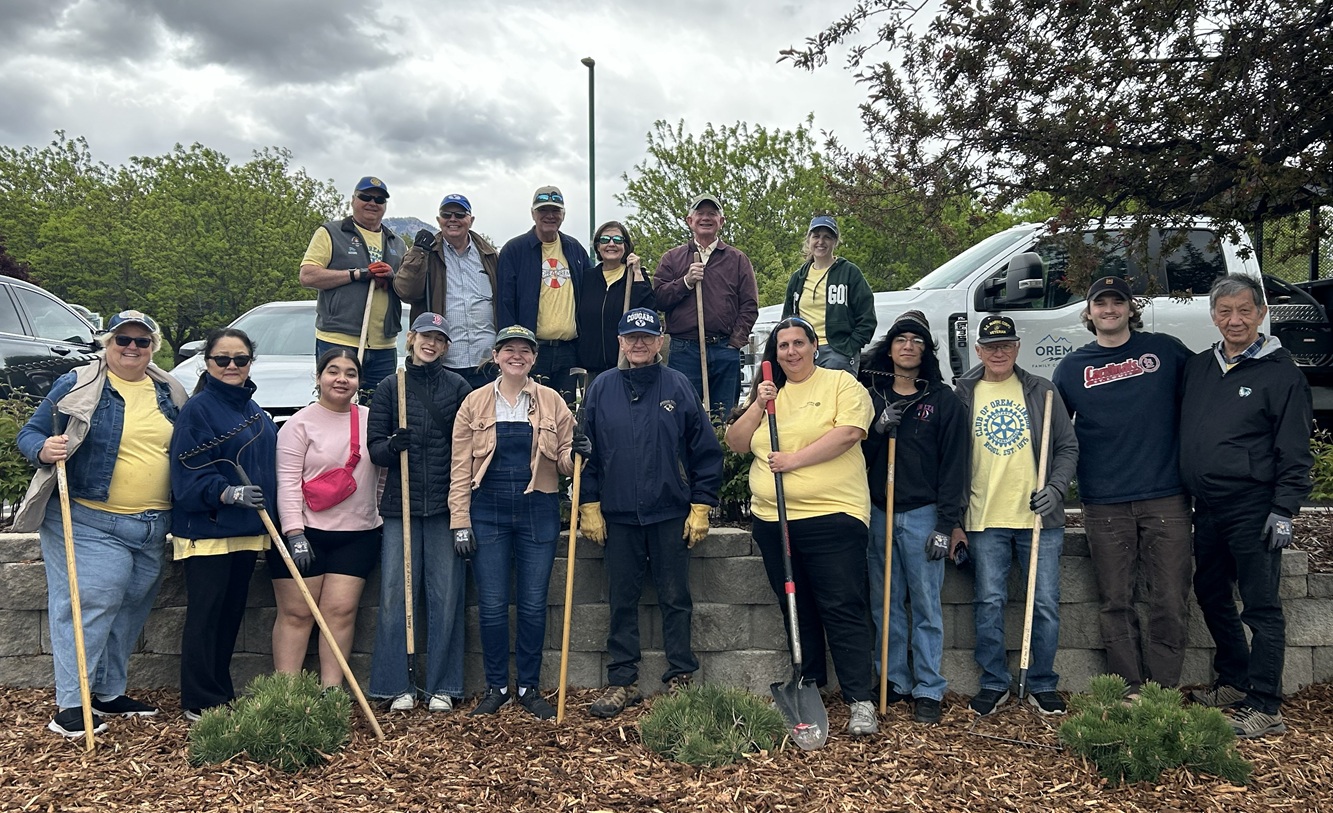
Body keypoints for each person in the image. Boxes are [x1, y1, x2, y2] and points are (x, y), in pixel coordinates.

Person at [15, 310, 189, 738]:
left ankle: (108, 693)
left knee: (129, 609)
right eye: (122, 340)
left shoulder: (170, 390)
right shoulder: (78, 384)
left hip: (151, 525)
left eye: (142, 341)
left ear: (154, 347)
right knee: (88, 607)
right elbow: (30, 434)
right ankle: (72, 707)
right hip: (89, 518)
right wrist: (44, 449)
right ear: (106, 343)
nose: (132, 348)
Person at [724, 316, 878, 736]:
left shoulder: (840, 385)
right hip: (774, 522)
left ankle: (859, 700)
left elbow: (849, 433)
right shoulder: (769, 395)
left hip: (832, 516)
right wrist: (759, 403)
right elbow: (737, 443)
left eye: (798, 343)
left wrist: (793, 461)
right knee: (796, 606)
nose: (790, 351)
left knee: (842, 605)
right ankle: (809, 682)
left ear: (814, 345)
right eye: (782, 345)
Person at [1180, 273, 1313, 738]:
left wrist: (1285, 509)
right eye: (1224, 311)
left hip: (1255, 508)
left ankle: (1265, 705)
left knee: (1260, 608)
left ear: (1260, 313)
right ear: (1213, 316)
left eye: (1244, 311)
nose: (1234, 320)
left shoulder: (1282, 374)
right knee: (1211, 594)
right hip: (1208, 508)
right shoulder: (1200, 367)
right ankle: (1234, 680)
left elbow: (1296, 452)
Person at [1052, 276, 1194, 697]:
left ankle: (1163, 691)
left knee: (1170, 598)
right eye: (1101, 303)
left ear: (1131, 308)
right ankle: (1131, 690)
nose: (1109, 309)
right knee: (1116, 602)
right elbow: (1057, 435)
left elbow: (1207, 394)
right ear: (1089, 311)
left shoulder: (1165, 352)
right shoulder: (1072, 368)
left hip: (1166, 496)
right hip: (1104, 502)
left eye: (1118, 302)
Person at [578, 308, 724, 718]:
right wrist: (589, 503)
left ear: (660, 341)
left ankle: (681, 675)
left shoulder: (678, 385)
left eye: (646, 337)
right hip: (619, 516)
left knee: (676, 598)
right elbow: (585, 452)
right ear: (620, 342)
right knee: (622, 600)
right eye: (631, 337)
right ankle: (622, 680)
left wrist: (701, 504)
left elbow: (705, 451)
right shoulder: (601, 388)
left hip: (669, 514)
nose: (638, 344)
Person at [954, 314, 1078, 717]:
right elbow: (949, 459)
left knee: (1043, 603)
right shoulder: (963, 394)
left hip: (1039, 519)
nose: (999, 352)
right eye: (990, 347)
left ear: (1017, 347)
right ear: (978, 351)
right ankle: (993, 681)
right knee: (988, 601)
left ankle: (1042, 681)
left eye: (1006, 345)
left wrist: (1056, 490)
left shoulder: (1042, 391)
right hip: (984, 516)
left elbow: (1067, 448)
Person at [450, 325, 576, 719]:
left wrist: (578, 453)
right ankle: (496, 686)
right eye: (509, 350)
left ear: (534, 358)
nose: (517, 356)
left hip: (538, 509)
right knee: (490, 606)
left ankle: (528, 686)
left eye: (525, 350)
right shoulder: (474, 402)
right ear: (496, 355)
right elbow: (458, 468)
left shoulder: (552, 401)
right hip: (486, 511)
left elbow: (567, 461)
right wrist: (460, 521)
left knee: (534, 605)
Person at [859, 311, 968, 725]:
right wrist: (877, 428)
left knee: (925, 606)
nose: (908, 346)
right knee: (884, 606)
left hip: (923, 515)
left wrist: (946, 525)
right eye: (901, 339)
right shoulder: (872, 395)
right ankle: (893, 680)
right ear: (890, 347)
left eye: (917, 341)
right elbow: (856, 457)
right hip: (880, 511)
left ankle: (928, 687)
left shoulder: (943, 400)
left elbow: (954, 467)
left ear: (926, 350)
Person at [168, 328, 278, 721]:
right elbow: (186, 471)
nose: (232, 366)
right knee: (207, 615)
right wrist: (226, 493)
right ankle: (199, 700)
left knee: (230, 616)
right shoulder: (199, 409)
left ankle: (220, 694)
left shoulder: (252, 410)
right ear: (207, 363)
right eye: (223, 359)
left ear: (251, 362)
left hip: (247, 531)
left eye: (240, 359)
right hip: (209, 531)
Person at [367, 313, 472, 712]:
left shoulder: (459, 387)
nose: (431, 344)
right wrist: (393, 445)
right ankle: (396, 685)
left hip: (444, 506)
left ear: (446, 347)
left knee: (446, 597)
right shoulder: (389, 387)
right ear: (411, 339)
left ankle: (444, 685)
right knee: (396, 595)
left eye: (439, 340)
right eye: (425, 337)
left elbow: (468, 445)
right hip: (401, 507)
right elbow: (375, 448)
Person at [273, 349, 383, 688]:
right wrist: (294, 533)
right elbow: (288, 482)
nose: (341, 379)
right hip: (306, 531)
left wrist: (375, 513)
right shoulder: (298, 424)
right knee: (298, 613)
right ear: (319, 377)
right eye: (333, 371)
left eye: (350, 373)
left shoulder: (372, 419)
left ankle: (330, 693)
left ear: (359, 383)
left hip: (358, 533)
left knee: (340, 613)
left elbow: (381, 476)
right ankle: (286, 695)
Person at [653, 194, 759, 418]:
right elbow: (659, 299)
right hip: (684, 350)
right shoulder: (672, 259)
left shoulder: (737, 260)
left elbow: (749, 306)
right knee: (681, 416)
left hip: (724, 350)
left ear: (722, 221)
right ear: (689, 220)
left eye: (712, 213)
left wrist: (734, 343)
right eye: (700, 213)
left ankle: (720, 454)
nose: (706, 218)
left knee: (724, 417)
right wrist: (685, 282)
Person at [298, 175, 406, 389]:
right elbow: (308, 276)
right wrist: (357, 274)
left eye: (379, 200)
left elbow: (408, 286)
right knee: (336, 402)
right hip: (339, 339)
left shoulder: (398, 242)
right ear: (353, 200)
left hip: (384, 344)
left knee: (379, 409)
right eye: (366, 197)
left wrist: (392, 279)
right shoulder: (331, 232)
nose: (372, 203)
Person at [495, 186, 591, 402]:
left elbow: (590, 295)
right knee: (530, 411)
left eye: (555, 211)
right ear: (533, 213)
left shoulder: (575, 249)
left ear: (563, 215)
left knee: (564, 413)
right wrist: (511, 350)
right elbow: (505, 303)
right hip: (532, 350)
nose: (549, 216)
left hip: (569, 351)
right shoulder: (514, 250)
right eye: (543, 210)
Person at [396, 193, 501, 390]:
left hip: (487, 363)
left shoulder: (490, 256)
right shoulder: (425, 252)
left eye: (460, 214)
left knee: (486, 421)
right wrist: (418, 253)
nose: (453, 219)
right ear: (438, 220)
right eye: (446, 214)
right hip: (442, 363)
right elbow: (405, 291)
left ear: (471, 220)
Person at [782, 216, 877, 374]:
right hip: (803, 352)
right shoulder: (798, 277)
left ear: (835, 241)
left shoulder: (849, 273)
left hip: (838, 352)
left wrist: (850, 347)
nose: (821, 241)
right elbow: (787, 318)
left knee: (834, 398)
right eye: (816, 236)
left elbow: (867, 318)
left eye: (827, 237)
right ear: (809, 240)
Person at [576, 221, 655, 381]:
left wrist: (638, 274)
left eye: (618, 240)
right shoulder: (587, 278)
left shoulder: (635, 276)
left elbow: (648, 311)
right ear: (597, 246)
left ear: (625, 246)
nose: (611, 244)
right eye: (605, 239)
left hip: (628, 365)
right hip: (592, 368)